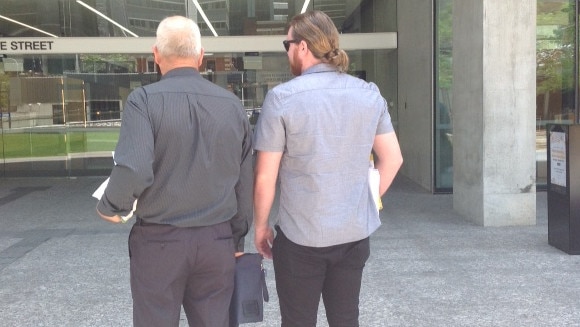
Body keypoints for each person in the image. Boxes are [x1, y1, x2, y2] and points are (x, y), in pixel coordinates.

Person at [96, 16, 253, 327]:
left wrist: (112, 207)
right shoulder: (232, 105)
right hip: (216, 240)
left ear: (155, 55)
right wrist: (236, 240)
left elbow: (134, 167)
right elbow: (243, 181)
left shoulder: (143, 101)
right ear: (201, 55)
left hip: (159, 243)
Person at [252, 10, 403, 327]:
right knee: (346, 318)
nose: (288, 51)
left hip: (300, 238)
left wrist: (261, 226)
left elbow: (266, 175)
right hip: (353, 235)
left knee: (297, 321)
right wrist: (368, 201)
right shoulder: (369, 94)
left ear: (303, 47)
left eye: (287, 44)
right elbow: (393, 159)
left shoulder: (281, 99)